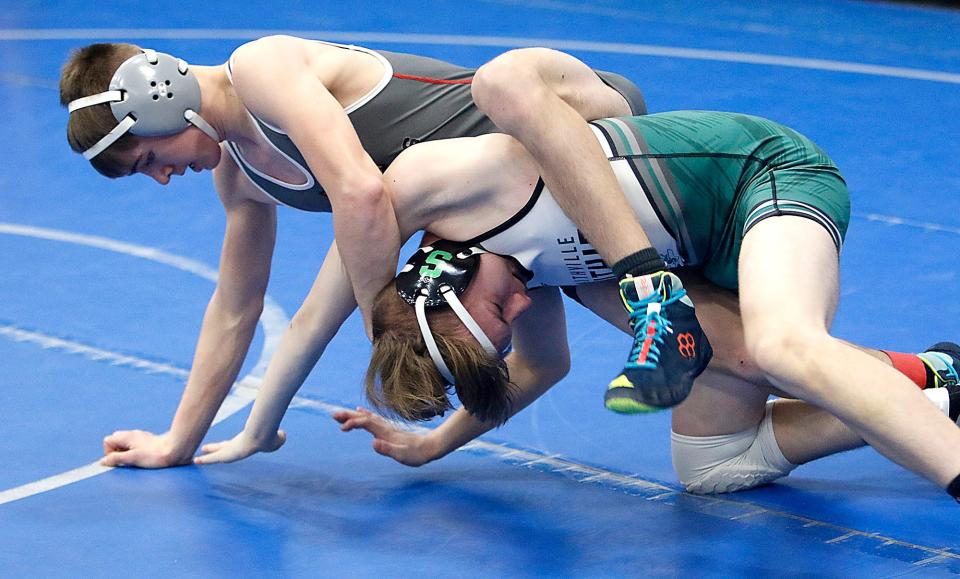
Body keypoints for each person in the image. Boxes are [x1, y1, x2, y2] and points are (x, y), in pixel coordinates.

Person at [197, 110, 960, 501]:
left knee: (780, 347)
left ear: (446, 278)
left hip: (764, 182)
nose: (526, 299)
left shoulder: (454, 180)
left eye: (499, 310)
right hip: (703, 257)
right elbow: (545, 362)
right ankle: (938, 385)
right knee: (712, 465)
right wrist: (435, 444)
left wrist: (258, 422)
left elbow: (347, 238)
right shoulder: (507, 272)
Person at [59, 36, 694, 468]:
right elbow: (235, 308)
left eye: (148, 159)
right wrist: (185, 440)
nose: (162, 179)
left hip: (570, 129)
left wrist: (387, 329)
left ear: (162, 97)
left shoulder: (262, 69)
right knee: (681, 359)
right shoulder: (240, 179)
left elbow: (362, 195)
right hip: (502, 214)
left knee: (368, 251)